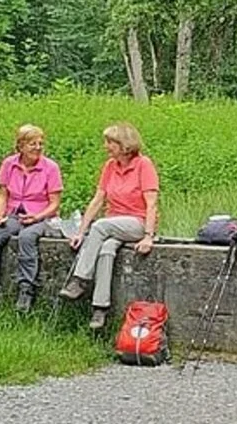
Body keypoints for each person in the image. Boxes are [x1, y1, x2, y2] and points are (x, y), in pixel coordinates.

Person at [56, 123, 160, 330]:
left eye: (110, 142)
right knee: (106, 249)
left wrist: (148, 236)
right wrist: (80, 232)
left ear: (124, 144)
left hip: (137, 222)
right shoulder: (110, 167)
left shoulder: (144, 165)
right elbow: (97, 200)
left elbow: (152, 203)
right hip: (114, 222)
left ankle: (80, 279)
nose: (106, 146)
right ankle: (100, 308)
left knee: (101, 226)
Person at [0, 124, 65, 314]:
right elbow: (3, 194)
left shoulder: (50, 168)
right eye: (33, 144)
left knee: (27, 238)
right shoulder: (9, 164)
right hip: (14, 212)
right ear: (21, 146)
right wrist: (0, 213)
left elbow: (55, 203)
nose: (38, 147)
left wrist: (37, 217)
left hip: (42, 215)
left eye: (41, 143)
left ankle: (26, 290)